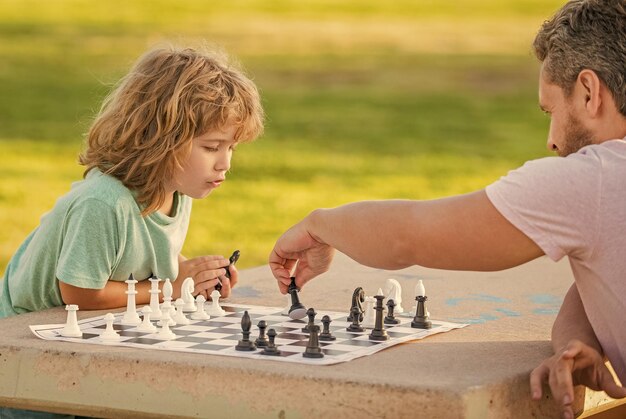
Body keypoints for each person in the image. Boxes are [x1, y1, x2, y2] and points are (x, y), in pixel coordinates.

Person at [268, 1, 626, 418]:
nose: (551, 140)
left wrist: (319, 226)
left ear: (588, 91)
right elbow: (591, 289)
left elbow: (409, 235)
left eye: (551, 111)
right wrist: (574, 346)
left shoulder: (595, 179)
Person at [0, 45, 263, 417]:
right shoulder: (105, 203)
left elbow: (146, 253)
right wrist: (171, 287)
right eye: (211, 147)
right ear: (159, 138)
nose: (225, 163)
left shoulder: (175, 192)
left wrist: (196, 279)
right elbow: (79, 291)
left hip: (79, 341)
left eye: (231, 147)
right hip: (23, 354)